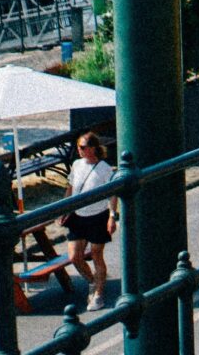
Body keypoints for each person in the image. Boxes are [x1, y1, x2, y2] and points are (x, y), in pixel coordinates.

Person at [61, 131, 117, 310]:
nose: (80, 150)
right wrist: (64, 208)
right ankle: (93, 281)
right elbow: (70, 187)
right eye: (78, 147)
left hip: (98, 216)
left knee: (96, 254)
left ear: (93, 148)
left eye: (83, 147)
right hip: (78, 216)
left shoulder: (104, 168)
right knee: (74, 256)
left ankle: (99, 294)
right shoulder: (77, 165)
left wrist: (112, 216)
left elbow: (112, 193)